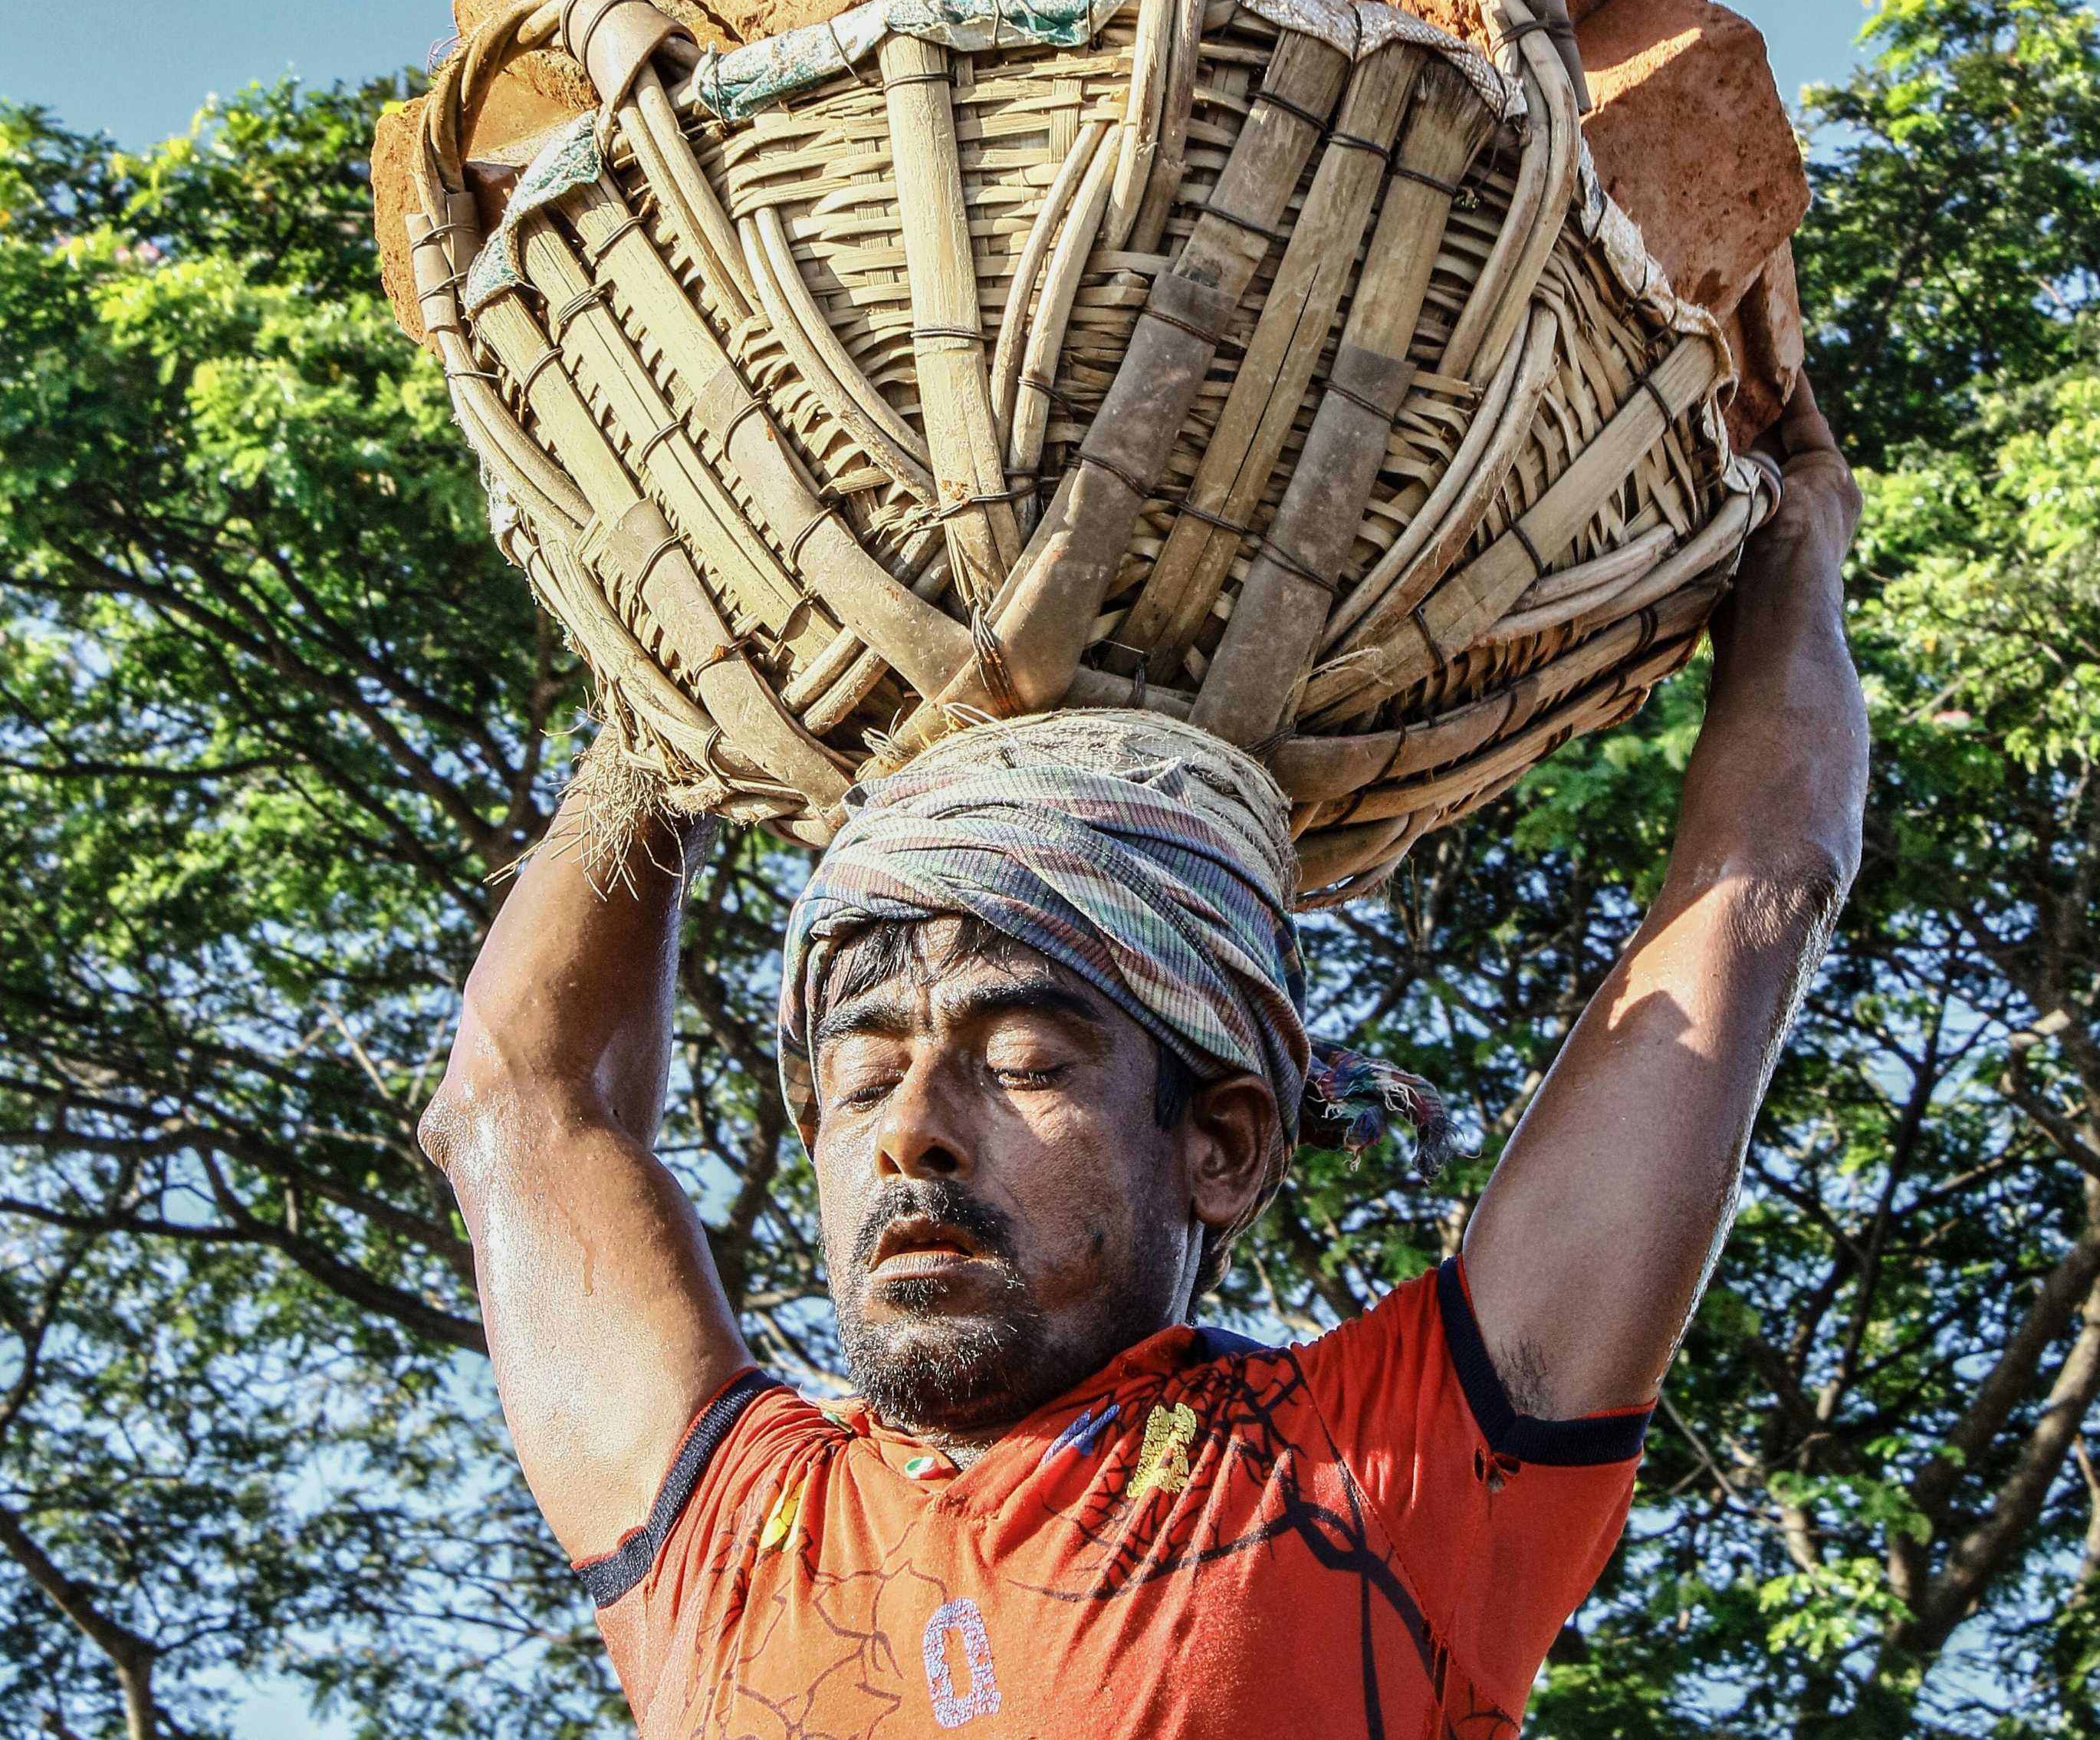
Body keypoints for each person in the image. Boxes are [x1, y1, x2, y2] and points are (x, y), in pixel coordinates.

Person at [419, 378, 1866, 1738]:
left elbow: (1756, 887)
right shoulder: (722, 1542)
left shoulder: (1397, 1479)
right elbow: (519, 1107)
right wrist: (667, 669)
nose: (911, 1129)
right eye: (858, 1081)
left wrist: (1797, 546)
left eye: (1030, 1062)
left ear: (1222, 1145)